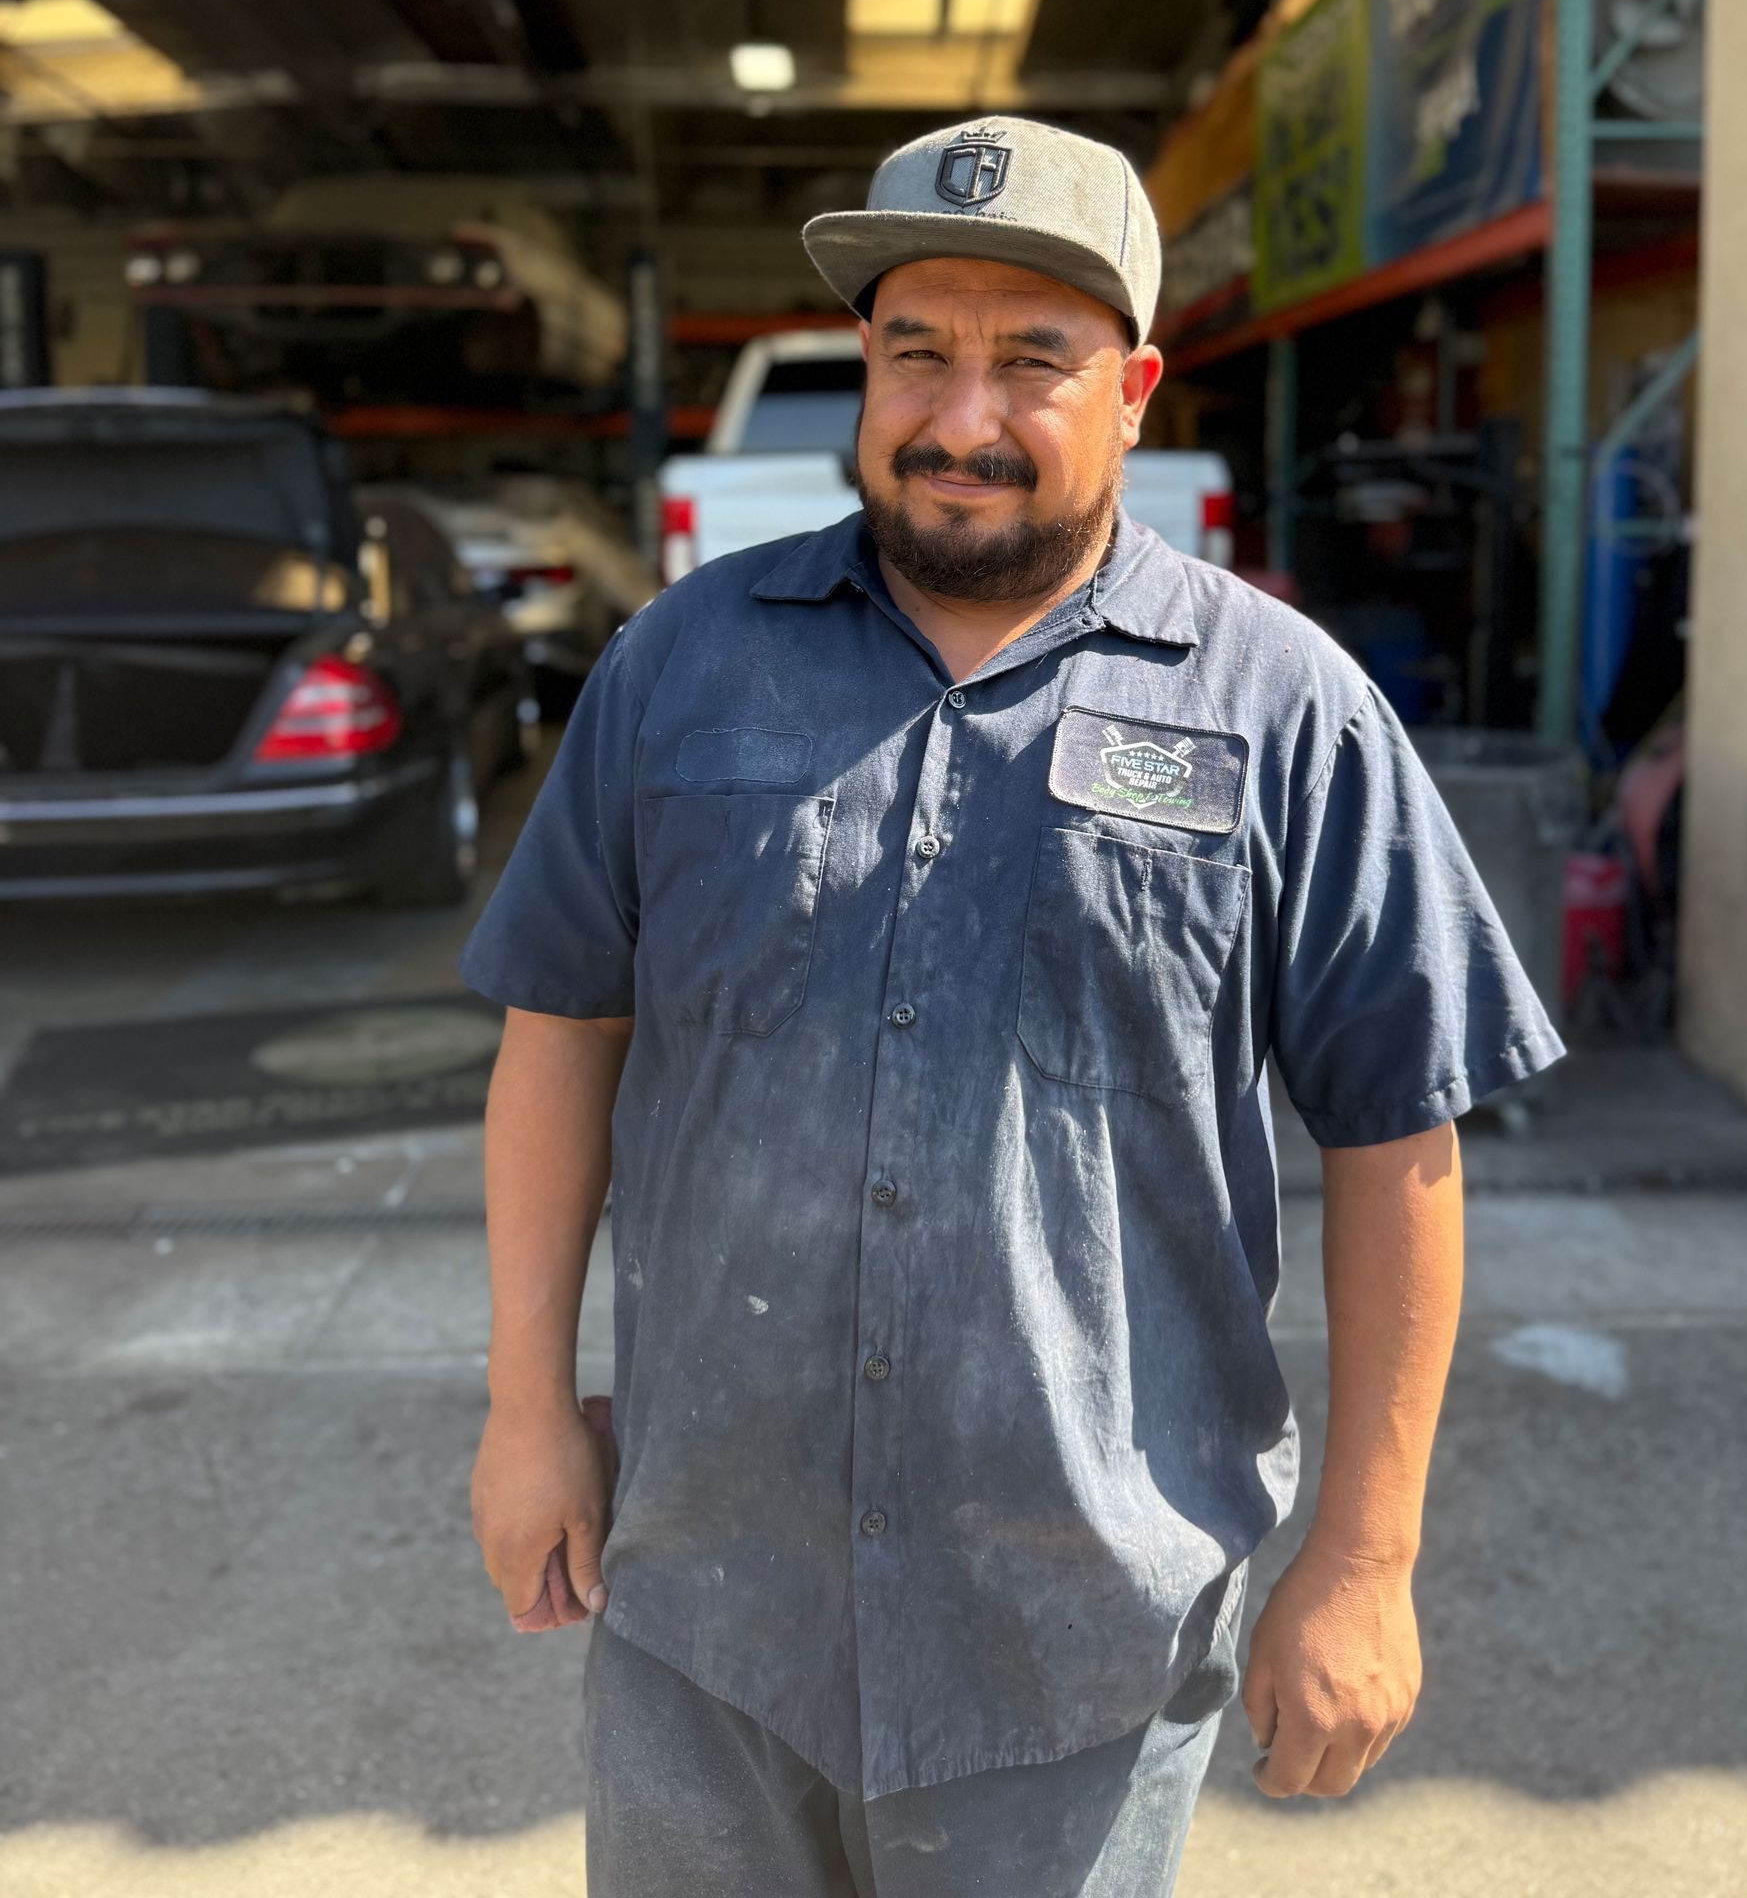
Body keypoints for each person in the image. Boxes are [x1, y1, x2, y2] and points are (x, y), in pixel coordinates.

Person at [463, 115, 1562, 1898]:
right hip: (709, 1614)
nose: (960, 416)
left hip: (1082, 1650)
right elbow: (560, 1032)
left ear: (1132, 390)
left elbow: (1400, 1129)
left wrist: (1366, 1559)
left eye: (1030, 362)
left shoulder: (1283, 709)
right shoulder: (682, 665)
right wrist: (525, 1408)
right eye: (917, 352)